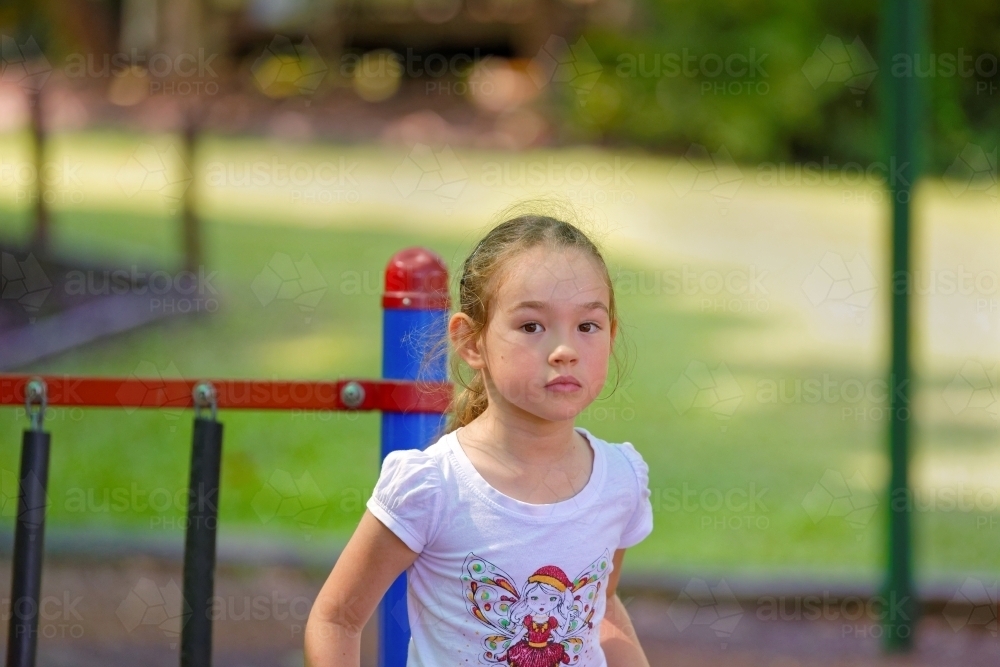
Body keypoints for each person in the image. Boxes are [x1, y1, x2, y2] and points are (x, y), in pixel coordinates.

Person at [305, 212, 654, 667]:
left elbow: (602, 608)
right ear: (471, 343)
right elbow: (336, 619)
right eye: (532, 326)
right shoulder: (432, 486)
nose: (565, 350)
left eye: (587, 326)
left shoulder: (620, 480)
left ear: (611, 336)